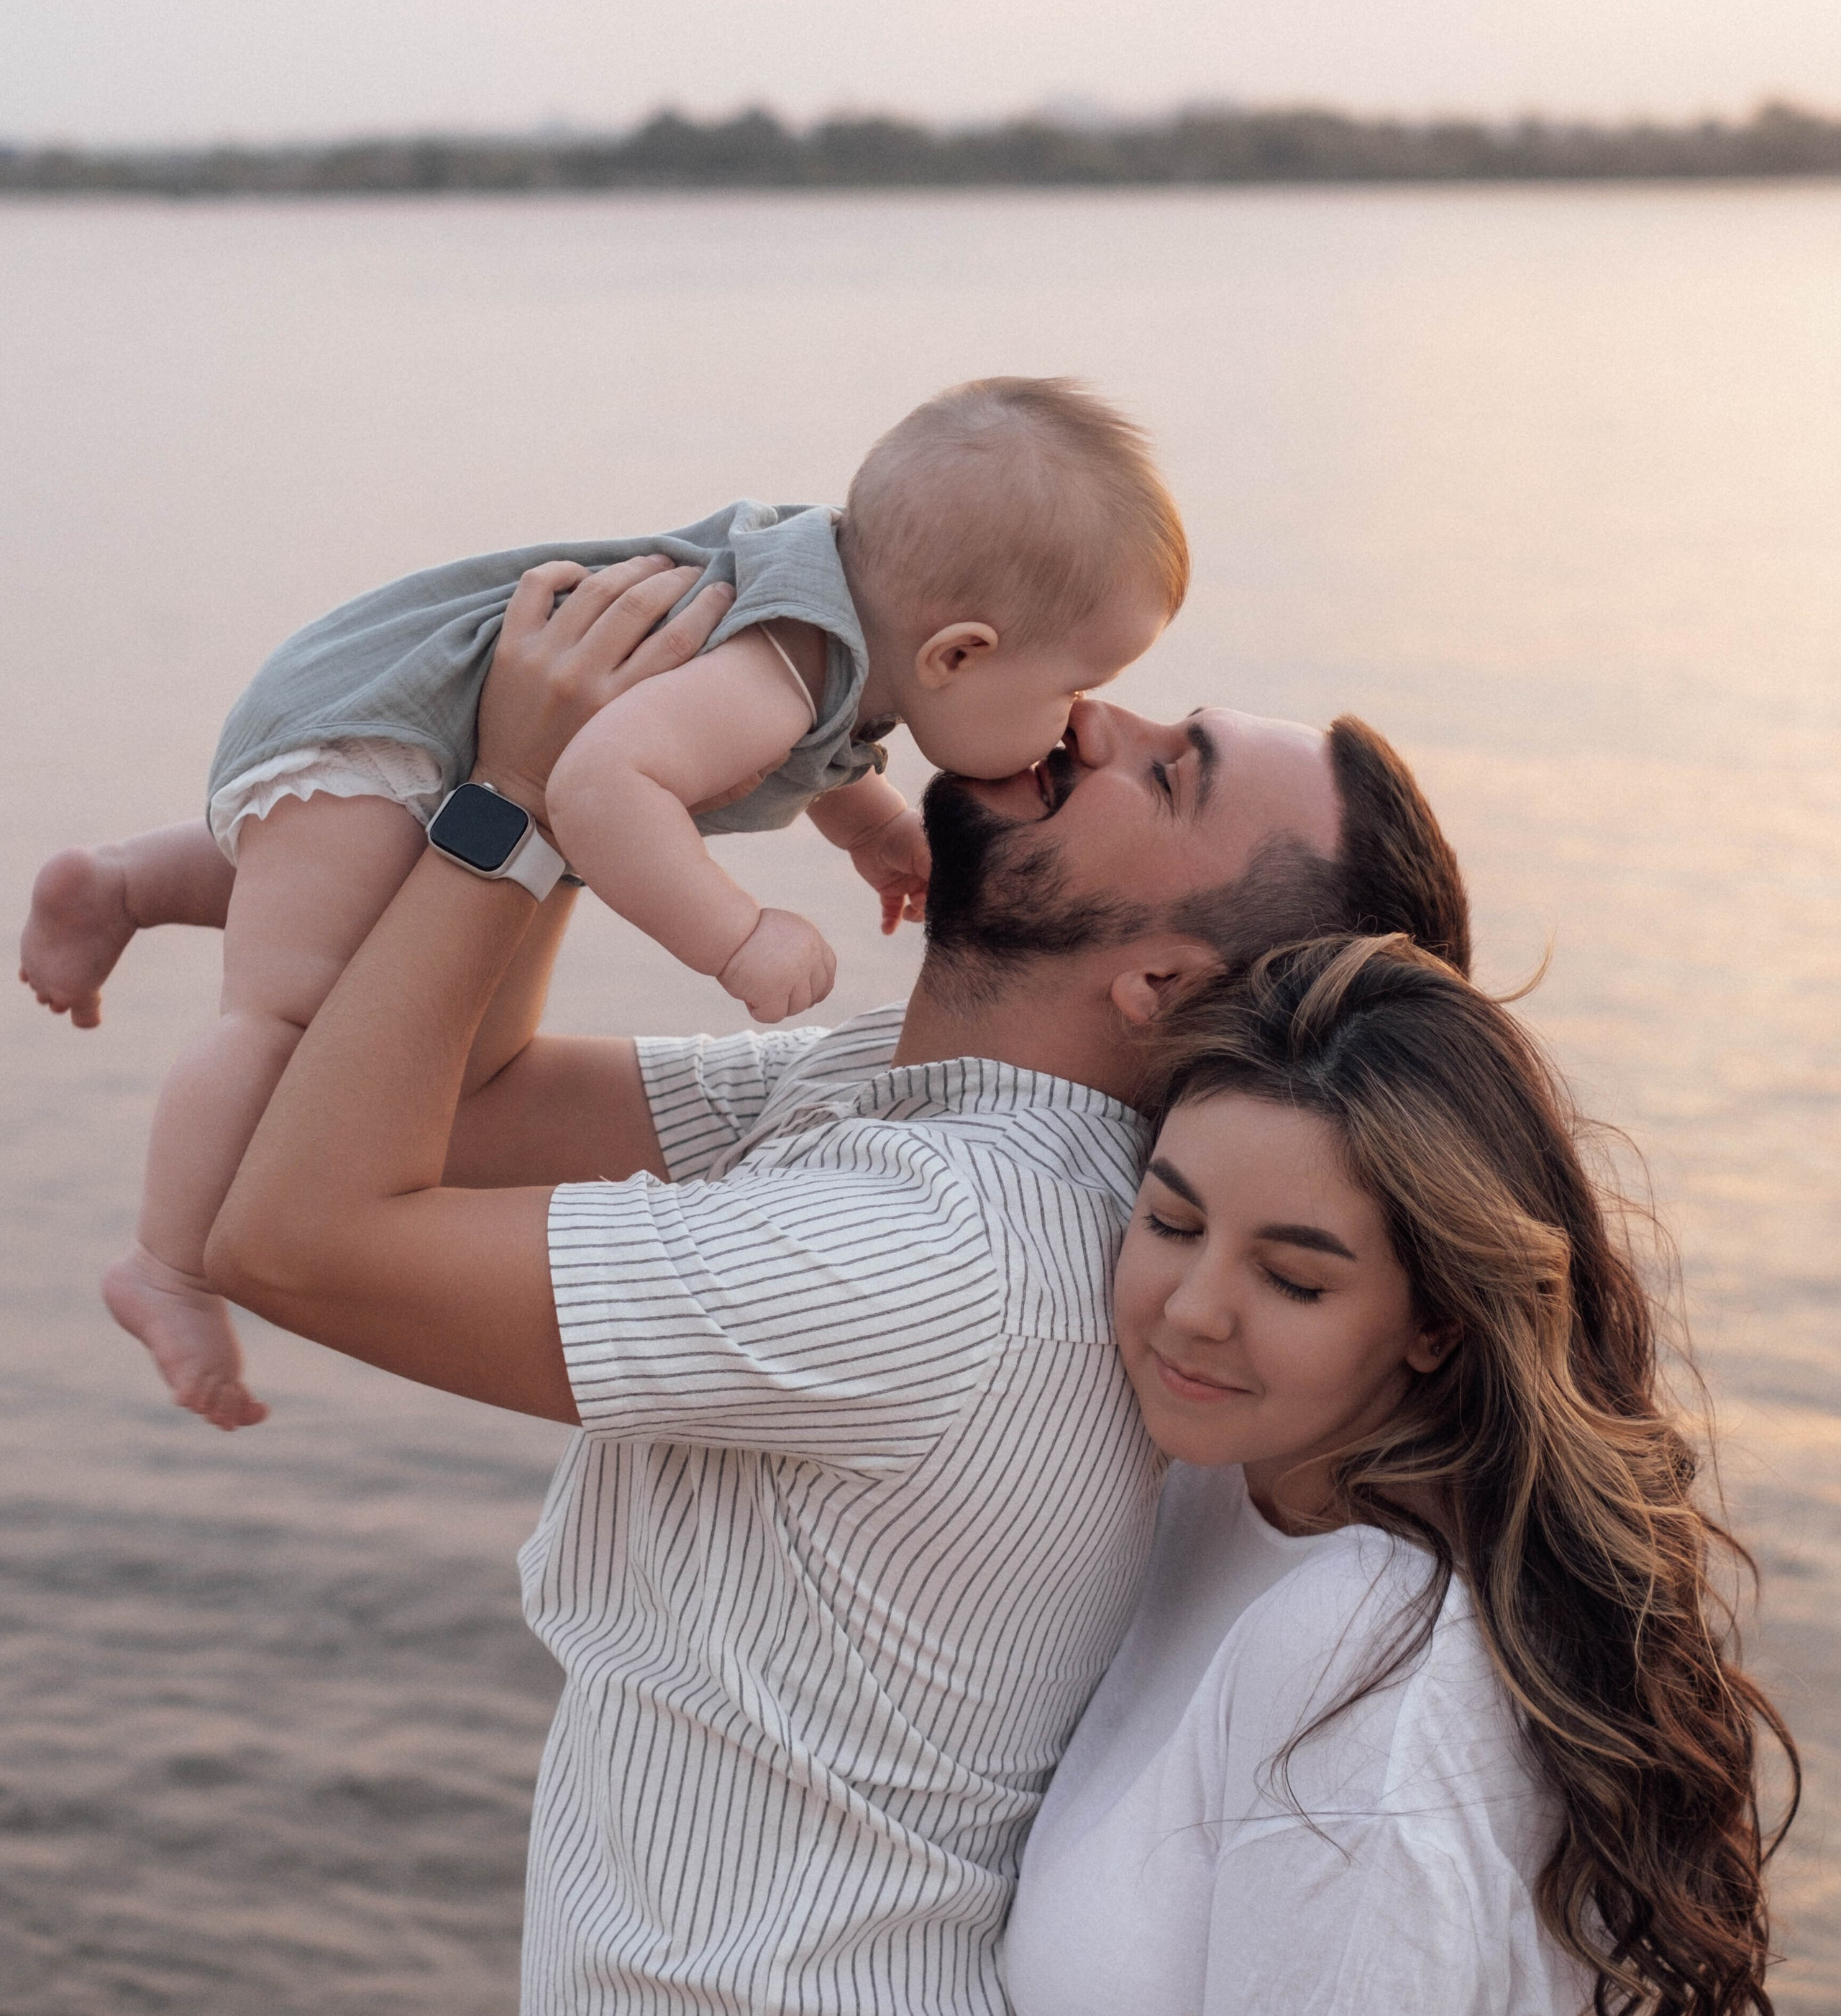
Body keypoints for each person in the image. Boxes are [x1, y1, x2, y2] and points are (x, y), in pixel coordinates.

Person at [193, 560, 1471, 2016]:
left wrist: (516, 800)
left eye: (1164, 770)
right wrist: (599, 787)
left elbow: (296, 1240)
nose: (1091, 712)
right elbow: (462, 1109)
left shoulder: (930, 1257)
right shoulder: (886, 1096)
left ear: (1158, 975)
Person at [18, 376, 1186, 1430]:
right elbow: (597, 782)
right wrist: (736, 935)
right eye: (1075, 684)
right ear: (957, 653)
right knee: (292, 1015)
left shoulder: (837, 632)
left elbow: (827, 760)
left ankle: (121, 881)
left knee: (338, 895)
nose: (1078, 720)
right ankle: (164, 1265)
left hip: (377, 718)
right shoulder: (782, 671)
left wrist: (878, 833)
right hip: (380, 731)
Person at [1005, 933, 1797, 2016]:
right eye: (1170, 1221)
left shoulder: (1366, 1655)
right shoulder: (1214, 1484)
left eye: (1294, 1280)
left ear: (1433, 1321)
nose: (1190, 1311)